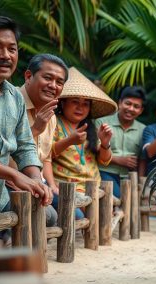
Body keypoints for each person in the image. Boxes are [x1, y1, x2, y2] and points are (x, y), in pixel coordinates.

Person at [0, 16, 53, 245]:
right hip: (7, 186)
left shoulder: (14, 97)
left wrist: (35, 180)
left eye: (12, 49)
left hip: (1, 196)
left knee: (47, 213)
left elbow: (24, 146)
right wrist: (16, 175)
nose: (5, 55)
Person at [51, 67, 116, 219]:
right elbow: (46, 154)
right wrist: (69, 141)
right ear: (63, 103)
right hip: (66, 187)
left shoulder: (90, 127)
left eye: (86, 104)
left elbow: (104, 160)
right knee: (88, 218)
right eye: (75, 102)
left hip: (94, 186)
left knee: (103, 218)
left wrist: (105, 144)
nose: (81, 107)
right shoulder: (53, 123)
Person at [15, 53, 68, 226]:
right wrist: (36, 129)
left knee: (71, 211)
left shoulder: (50, 115)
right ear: (29, 76)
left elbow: (45, 157)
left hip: (36, 183)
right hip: (11, 183)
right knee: (50, 216)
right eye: (48, 78)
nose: (53, 86)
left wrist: (50, 185)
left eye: (59, 82)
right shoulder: (11, 101)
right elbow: (5, 153)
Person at [96, 86, 146, 198]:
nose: (131, 108)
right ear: (120, 103)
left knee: (131, 206)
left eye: (136, 106)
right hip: (104, 172)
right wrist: (118, 160)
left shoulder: (143, 129)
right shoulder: (102, 122)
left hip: (130, 177)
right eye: (128, 103)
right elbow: (94, 148)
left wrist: (140, 182)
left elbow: (143, 158)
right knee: (121, 200)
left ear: (141, 110)